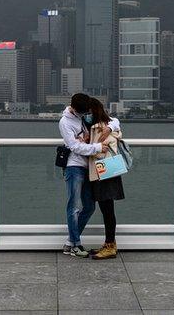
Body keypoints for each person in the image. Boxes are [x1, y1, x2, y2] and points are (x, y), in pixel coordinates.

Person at [59, 92, 111, 257]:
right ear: (73, 108)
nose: (85, 115)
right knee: (73, 207)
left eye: (86, 112)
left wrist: (109, 127)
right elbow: (74, 147)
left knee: (89, 206)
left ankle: (70, 242)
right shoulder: (65, 122)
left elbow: (113, 120)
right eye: (82, 112)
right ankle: (76, 244)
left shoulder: (84, 114)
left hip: (88, 167)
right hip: (73, 167)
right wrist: (96, 148)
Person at [86, 97, 125, 260]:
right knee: (106, 209)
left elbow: (102, 149)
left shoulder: (102, 128)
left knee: (107, 210)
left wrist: (88, 145)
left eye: (88, 111)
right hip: (104, 172)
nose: (86, 115)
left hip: (105, 172)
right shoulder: (104, 125)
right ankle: (109, 244)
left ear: (93, 111)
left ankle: (110, 245)